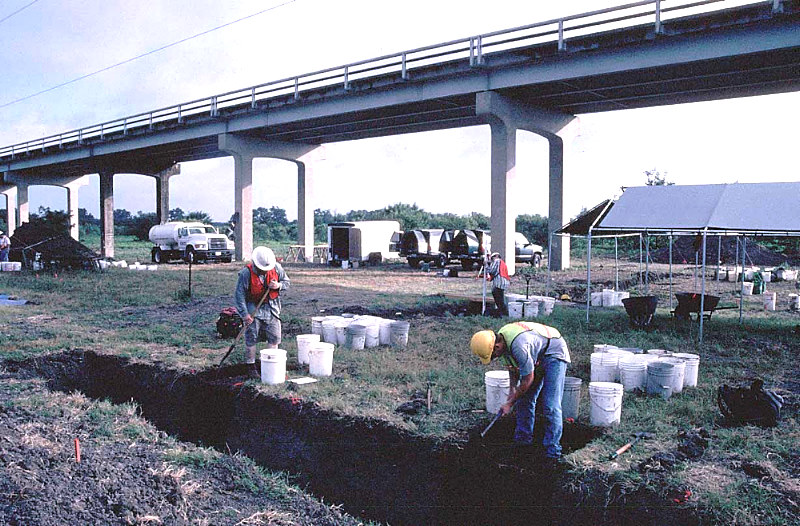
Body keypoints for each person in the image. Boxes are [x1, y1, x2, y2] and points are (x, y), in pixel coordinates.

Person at [470, 321, 570, 460]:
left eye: (493, 355)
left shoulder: (518, 346)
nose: (494, 358)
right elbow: (513, 369)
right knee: (524, 400)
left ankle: (553, 451)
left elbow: (528, 379)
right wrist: (512, 392)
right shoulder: (502, 342)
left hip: (554, 352)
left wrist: (510, 403)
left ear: (497, 346)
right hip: (537, 354)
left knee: (550, 405)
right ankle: (523, 442)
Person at [234, 246, 290, 378]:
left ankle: (270, 365)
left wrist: (278, 286)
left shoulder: (276, 268)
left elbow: (287, 282)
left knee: (274, 337)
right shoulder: (245, 274)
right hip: (253, 309)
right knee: (251, 337)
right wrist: (245, 315)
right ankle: (251, 366)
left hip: (272, 309)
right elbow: (239, 296)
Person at [486, 252, 510, 317]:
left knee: (498, 299)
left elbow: (492, 270)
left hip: (499, 283)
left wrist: (486, 265)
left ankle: (503, 314)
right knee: (500, 299)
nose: (492, 259)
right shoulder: (502, 262)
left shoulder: (497, 261)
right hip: (503, 282)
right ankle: (502, 313)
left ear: (496, 256)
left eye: (492, 258)